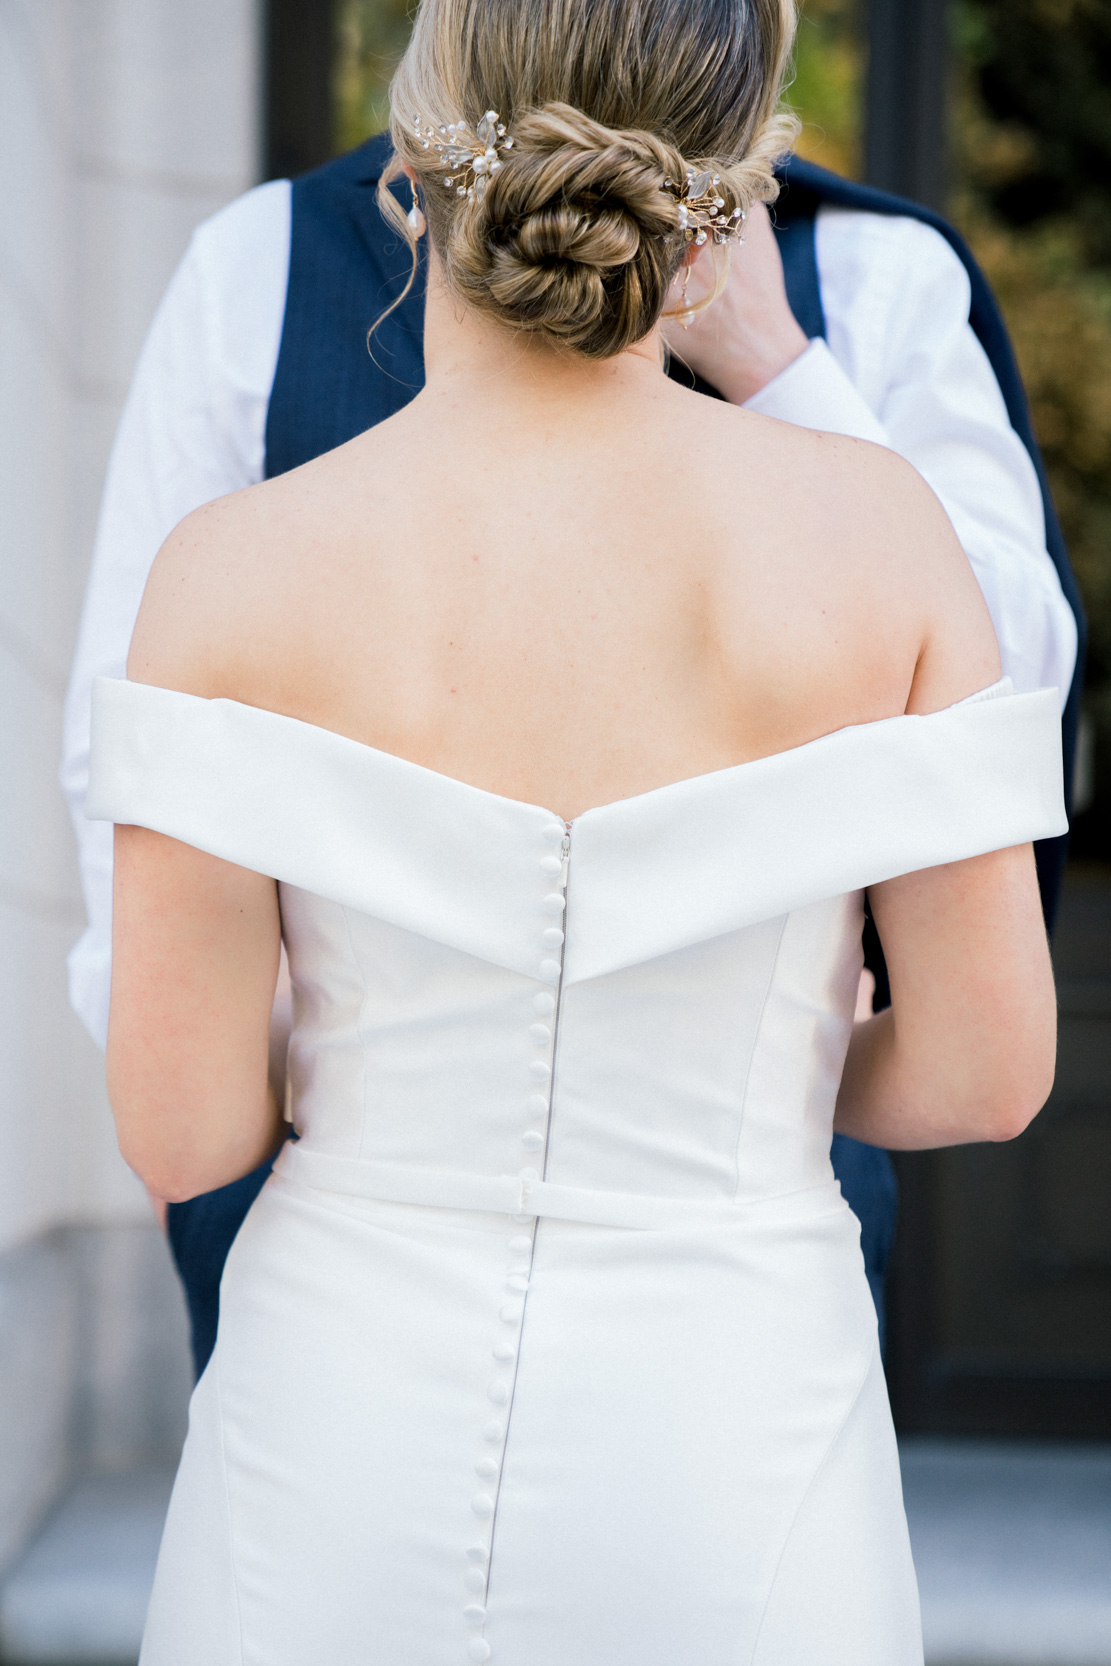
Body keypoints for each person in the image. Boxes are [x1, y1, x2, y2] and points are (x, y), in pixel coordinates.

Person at [88, 0, 1064, 1658]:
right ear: (733, 192)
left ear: (413, 161)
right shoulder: (885, 537)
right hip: (738, 1432)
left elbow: (184, 1131)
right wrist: (726, 1086)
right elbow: (984, 1067)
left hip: (335, 1435)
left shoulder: (230, 571)